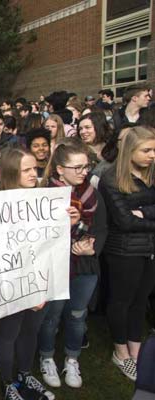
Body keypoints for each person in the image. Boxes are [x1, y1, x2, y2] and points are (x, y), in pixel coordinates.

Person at [0, 147, 79, 400]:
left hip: (40, 280)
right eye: (27, 170)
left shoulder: (44, 200)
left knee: (31, 329)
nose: (34, 173)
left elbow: (49, 243)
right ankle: (8, 382)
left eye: (35, 169)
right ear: (10, 172)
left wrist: (67, 224)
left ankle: (24, 373)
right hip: (9, 282)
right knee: (10, 332)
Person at [37, 140, 107, 389]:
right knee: (51, 316)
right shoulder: (42, 195)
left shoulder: (92, 194)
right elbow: (37, 237)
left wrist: (92, 245)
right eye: (76, 168)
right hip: (55, 267)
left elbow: (102, 227)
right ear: (59, 169)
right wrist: (70, 228)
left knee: (78, 315)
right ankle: (46, 357)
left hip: (85, 267)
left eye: (85, 167)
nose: (83, 172)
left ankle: (72, 358)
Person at [98, 126, 155, 381]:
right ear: (130, 150)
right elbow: (124, 222)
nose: (152, 155)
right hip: (123, 251)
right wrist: (142, 213)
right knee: (122, 300)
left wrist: (145, 212)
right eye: (146, 150)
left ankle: (136, 347)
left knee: (141, 300)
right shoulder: (111, 179)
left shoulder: (152, 174)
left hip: (150, 248)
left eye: (154, 149)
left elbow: (136, 218)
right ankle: (121, 352)